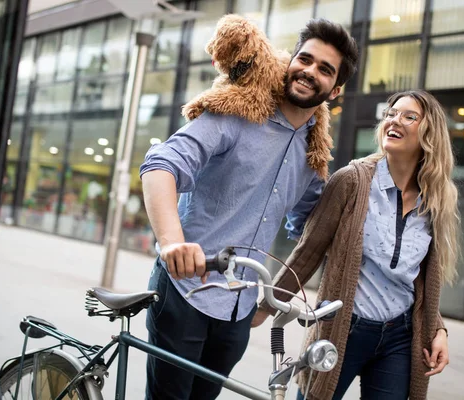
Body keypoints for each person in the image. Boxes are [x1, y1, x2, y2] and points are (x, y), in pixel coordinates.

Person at [139, 18, 359, 400]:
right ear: (290, 61)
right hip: (185, 289)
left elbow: (314, 227)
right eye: (304, 59)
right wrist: (172, 242)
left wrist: (281, 296)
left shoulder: (312, 160)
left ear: (335, 90)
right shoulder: (234, 116)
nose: (309, 71)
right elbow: (161, 165)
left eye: (324, 69)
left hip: (239, 309)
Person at [252, 89, 460, 400]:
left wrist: (438, 329)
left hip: (400, 337)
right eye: (390, 114)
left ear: (430, 133)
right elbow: (308, 251)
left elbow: (418, 278)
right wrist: (263, 309)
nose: (394, 120)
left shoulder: (436, 199)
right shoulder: (352, 181)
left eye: (409, 116)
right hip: (343, 328)